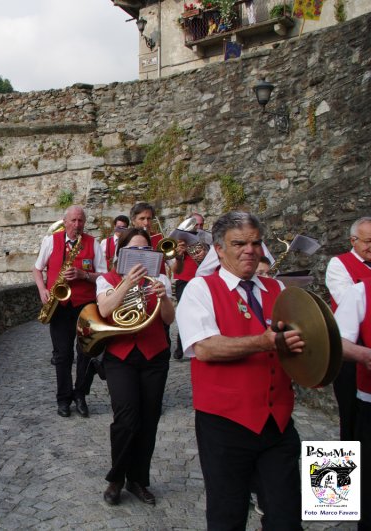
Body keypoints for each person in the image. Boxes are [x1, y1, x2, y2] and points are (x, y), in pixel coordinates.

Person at [177, 211, 305, 530]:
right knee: (227, 518)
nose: (250, 249)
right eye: (239, 243)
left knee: (287, 518)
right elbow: (205, 348)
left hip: (278, 423)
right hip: (225, 425)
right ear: (219, 249)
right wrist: (264, 342)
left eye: (256, 242)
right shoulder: (199, 290)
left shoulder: (277, 290)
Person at [96, 228, 175, 506]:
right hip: (120, 357)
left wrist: (164, 296)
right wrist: (127, 284)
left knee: (148, 421)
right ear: (122, 254)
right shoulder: (108, 278)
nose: (140, 256)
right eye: (134, 251)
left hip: (154, 356)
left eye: (145, 251)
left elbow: (168, 319)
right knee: (126, 420)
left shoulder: (160, 278)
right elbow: (105, 310)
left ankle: (138, 480)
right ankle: (117, 478)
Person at [33, 205, 106, 418]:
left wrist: (84, 275)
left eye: (81, 221)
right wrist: (42, 289)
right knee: (62, 355)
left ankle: (80, 395)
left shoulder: (93, 243)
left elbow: (103, 276)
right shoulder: (51, 241)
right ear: (64, 222)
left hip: (85, 305)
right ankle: (63, 399)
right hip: (59, 306)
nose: (77, 225)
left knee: (85, 352)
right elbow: (37, 269)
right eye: (73, 221)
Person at [326, 216, 371, 441]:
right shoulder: (339, 263)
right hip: (350, 350)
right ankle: (339, 476)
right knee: (349, 416)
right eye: (368, 241)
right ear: (353, 240)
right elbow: (347, 301)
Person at [333, 278, 371, 531]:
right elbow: (337, 340)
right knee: (348, 427)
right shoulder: (343, 268)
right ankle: (337, 497)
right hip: (355, 372)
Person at [172, 238, 198, 360]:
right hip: (184, 280)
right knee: (186, 314)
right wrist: (180, 251)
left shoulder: (205, 241)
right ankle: (181, 346)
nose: (198, 227)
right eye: (196, 225)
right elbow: (173, 266)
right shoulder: (180, 239)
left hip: (201, 278)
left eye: (201, 224)